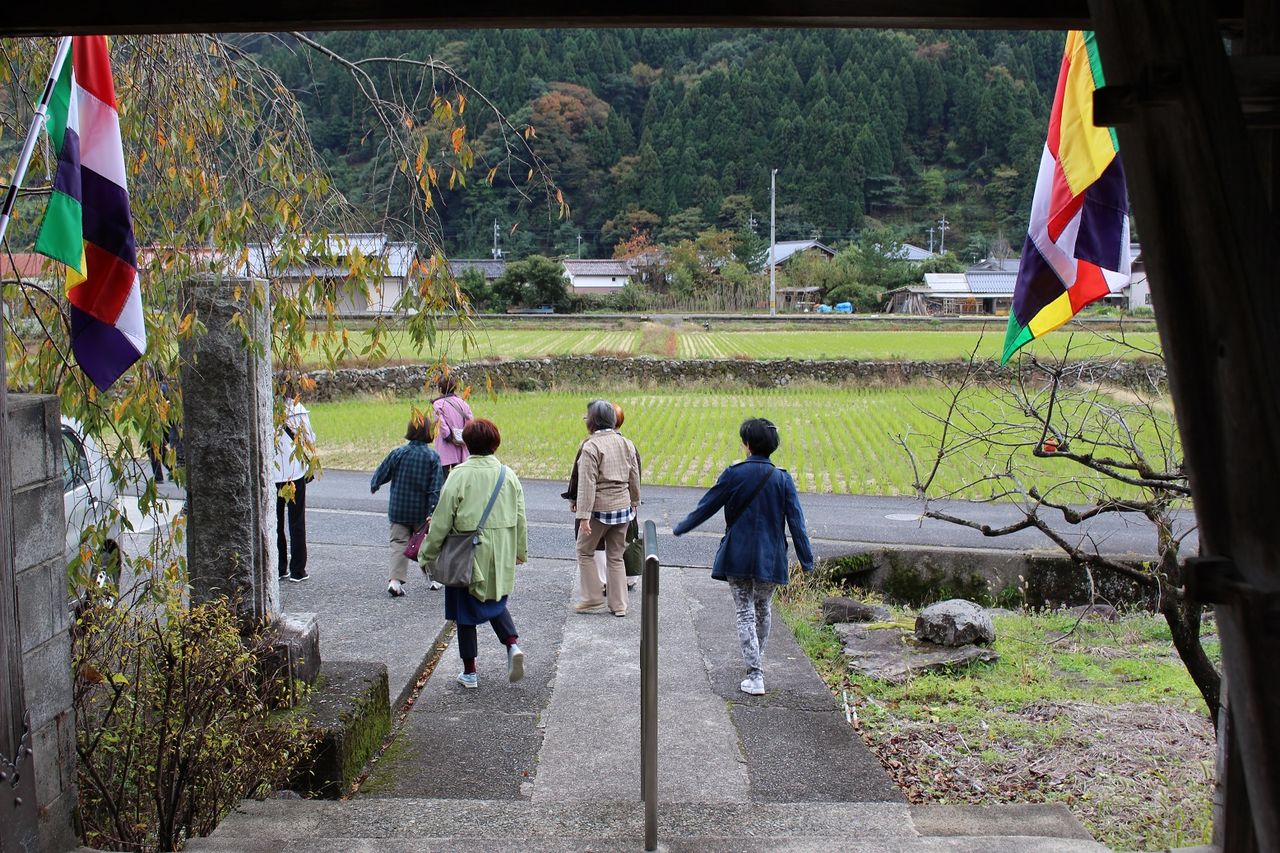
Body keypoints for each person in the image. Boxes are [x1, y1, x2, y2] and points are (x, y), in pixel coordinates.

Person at [672, 417, 813, 696]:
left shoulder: (734, 473)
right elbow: (797, 524)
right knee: (763, 609)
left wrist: (682, 527)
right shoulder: (783, 479)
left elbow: (707, 506)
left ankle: (755, 674)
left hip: (737, 554)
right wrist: (806, 560)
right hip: (771, 557)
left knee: (745, 612)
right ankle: (757, 664)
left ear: (747, 444)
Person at [419, 418, 528, 689]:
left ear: (466, 443)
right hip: (500, 551)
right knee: (495, 600)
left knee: (464, 611)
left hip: (466, 552)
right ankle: (512, 645)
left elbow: (442, 520)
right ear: (495, 443)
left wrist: (427, 553)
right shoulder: (508, 474)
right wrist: (519, 551)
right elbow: (520, 517)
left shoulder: (459, 475)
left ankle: (470, 672)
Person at [573, 399, 641, 617]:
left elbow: (587, 484)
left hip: (599, 510)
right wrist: (634, 502)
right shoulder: (626, 443)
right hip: (623, 508)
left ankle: (592, 598)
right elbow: (634, 476)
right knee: (616, 556)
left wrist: (584, 516)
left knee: (584, 551)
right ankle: (619, 605)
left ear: (592, 421)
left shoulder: (591, 447)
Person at [370, 412, 444, 597]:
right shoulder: (433, 457)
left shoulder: (398, 453)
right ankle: (434, 578)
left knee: (398, 543)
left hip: (399, 509)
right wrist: (432, 511)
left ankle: (395, 581)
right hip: (421, 511)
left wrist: (375, 484)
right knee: (426, 544)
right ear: (429, 433)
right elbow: (435, 488)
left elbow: (383, 471)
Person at [273, 387, 317, 583]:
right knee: (297, 521)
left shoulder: (266, 409)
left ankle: (279, 567)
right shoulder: (298, 410)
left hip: (272, 474)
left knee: (275, 523)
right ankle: (298, 569)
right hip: (295, 472)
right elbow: (310, 439)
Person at [432, 375, 473, 478]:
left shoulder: (438, 404)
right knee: (459, 479)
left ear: (440, 389)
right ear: (455, 388)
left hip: (445, 446)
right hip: (461, 444)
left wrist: (448, 436)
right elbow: (470, 422)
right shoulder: (463, 403)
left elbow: (440, 423)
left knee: (444, 480)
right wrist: (464, 436)